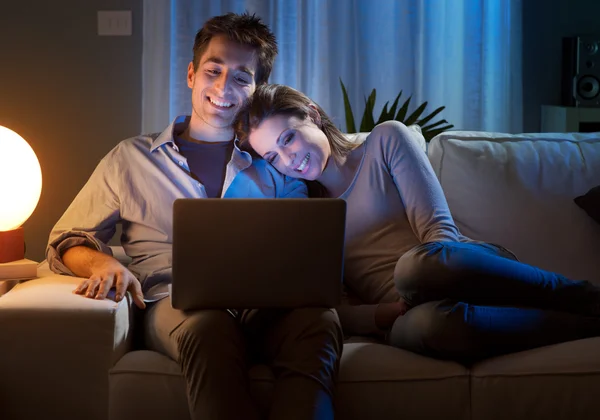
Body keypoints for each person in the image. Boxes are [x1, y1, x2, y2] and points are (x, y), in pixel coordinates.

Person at [46, 14, 342, 420]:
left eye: (241, 77)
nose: (223, 88)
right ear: (191, 74)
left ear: (255, 90)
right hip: (176, 307)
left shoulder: (275, 164)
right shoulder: (131, 158)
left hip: (264, 308)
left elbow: (307, 245)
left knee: (318, 322)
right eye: (213, 71)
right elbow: (66, 238)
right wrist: (103, 261)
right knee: (209, 329)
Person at [233, 83, 600, 364]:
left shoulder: (385, 140)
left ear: (311, 115)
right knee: (433, 327)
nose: (288, 159)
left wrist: (416, 285)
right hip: (406, 313)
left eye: (288, 138)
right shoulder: (306, 213)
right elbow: (333, 306)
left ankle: (585, 296)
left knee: (414, 268)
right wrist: (382, 313)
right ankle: (589, 324)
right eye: (272, 156)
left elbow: (441, 237)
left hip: (457, 268)